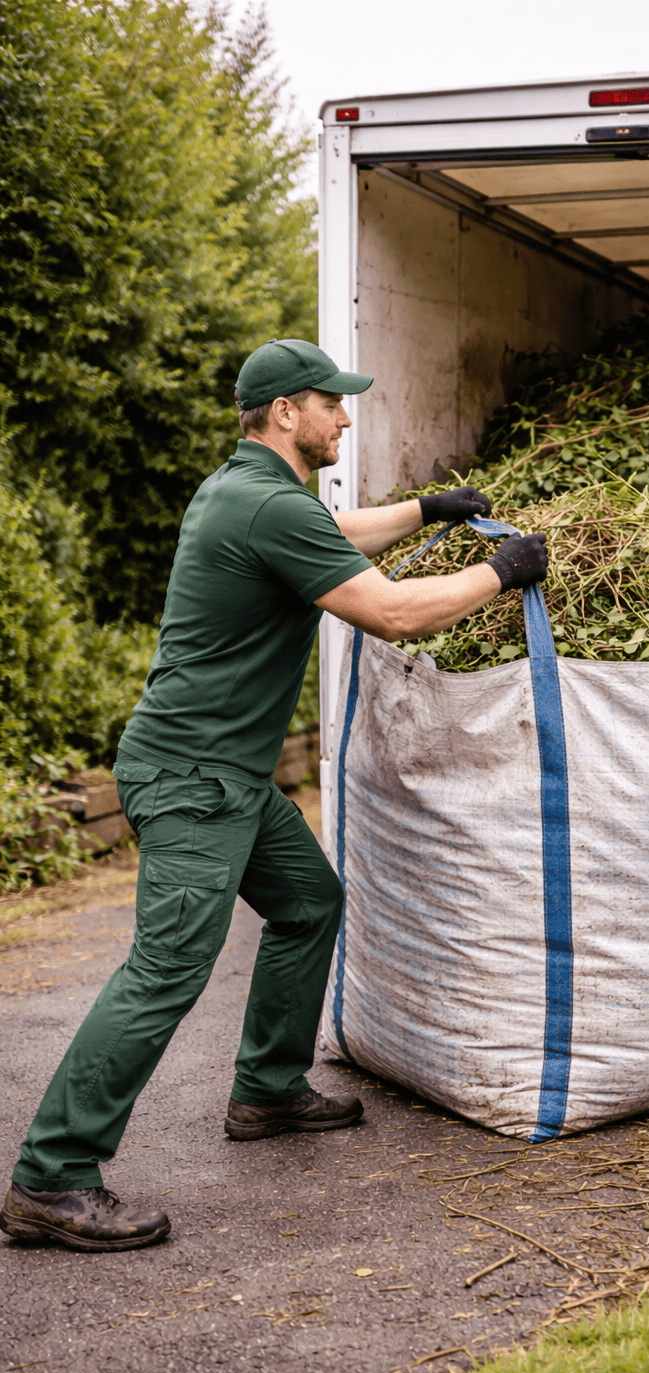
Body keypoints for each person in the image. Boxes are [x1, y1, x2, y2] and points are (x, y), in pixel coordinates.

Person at [1, 338, 547, 1253]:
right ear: (286, 412)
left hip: (222, 774)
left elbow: (336, 536)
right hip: (193, 777)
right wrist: (500, 573)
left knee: (307, 901)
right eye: (330, 402)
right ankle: (51, 1177)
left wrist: (428, 510)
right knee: (167, 966)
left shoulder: (249, 493)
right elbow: (394, 612)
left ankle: (265, 1090)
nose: (344, 416)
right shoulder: (269, 505)